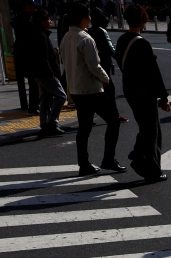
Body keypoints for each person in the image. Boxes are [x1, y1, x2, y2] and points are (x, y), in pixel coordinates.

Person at [59, 3, 124, 177]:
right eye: (88, 16)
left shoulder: (66, 37)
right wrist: (106, 78)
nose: (90, 19)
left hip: (76, 89)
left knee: (84, 128)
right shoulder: (85, 38)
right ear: (82, 19)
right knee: (113, 121)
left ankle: (84, 163)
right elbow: (94, 66)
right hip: (91, 89)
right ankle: (108, 159)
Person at [116, 3, 171, 182]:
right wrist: (163, 97)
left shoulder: (122, 40)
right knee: (152, 130)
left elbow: (124, 63)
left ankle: (139, 154)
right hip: (145, 92)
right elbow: (153, 73)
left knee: (145, 126)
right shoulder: (142, 43)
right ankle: (151, 169)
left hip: (130, 89)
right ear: (143, 19)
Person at [29, 9, 66, 136]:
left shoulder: (36, 34)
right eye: (48, 19)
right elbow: (44, 58)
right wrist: (50, 73)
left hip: (38, 73)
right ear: (42, 22)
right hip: (46, 73)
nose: (50, 21)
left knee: (45, 98)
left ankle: (44, 124)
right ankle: (52, 123)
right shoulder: (41, 36)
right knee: (61, 96)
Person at [11, 0, 40, 115]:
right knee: (34, 82)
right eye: (33, 7)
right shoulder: (27, 21)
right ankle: (33, 107)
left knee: (32, 81)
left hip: (21, 54)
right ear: (27, 7)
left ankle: (32, 105)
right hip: (28, 55)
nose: (35, 10)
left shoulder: (19, 19)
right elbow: (32, 38)